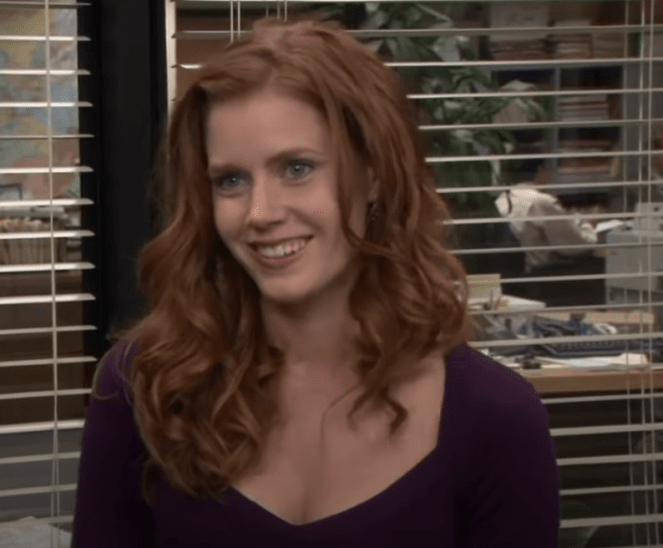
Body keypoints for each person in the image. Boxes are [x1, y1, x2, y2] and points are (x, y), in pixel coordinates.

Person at [72, 18, 559, 547]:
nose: (260, 213)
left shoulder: (497, 418)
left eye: (297, 168)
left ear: (374, 175)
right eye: (230, 180)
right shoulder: (143, 388)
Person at [494, 159, 598, 273]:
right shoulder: (540, 201)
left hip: (518, 272)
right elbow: (574, 246)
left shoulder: (504, 197)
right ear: (541, 170)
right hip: (544, 271)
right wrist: (589, 226)